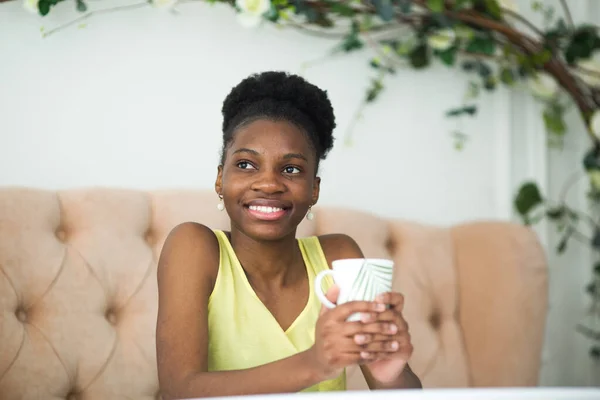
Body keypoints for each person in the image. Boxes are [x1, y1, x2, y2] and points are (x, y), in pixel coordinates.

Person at [155, 71, 422, 399]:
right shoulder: (194, 247)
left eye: (291, 169)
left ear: (314, 189)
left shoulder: (339, 256)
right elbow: (179, 389)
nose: (268, 184)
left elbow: (402, 391)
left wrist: (390, 371)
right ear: (220, 180)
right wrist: (315, 363)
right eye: (246, 165)